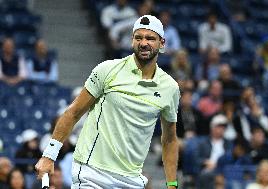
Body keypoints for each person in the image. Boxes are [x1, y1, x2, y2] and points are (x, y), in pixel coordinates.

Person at [35, 15, 180, 189]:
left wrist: (172, 184)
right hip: (91, 174)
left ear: (162, 43)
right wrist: (49, 155)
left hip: (132, 180)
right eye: (138, 37)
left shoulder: (170, 88)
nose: (143, 43)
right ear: (132, 40)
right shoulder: (107, 69)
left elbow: (170, 139)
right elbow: (73, 112)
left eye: (150, 38)